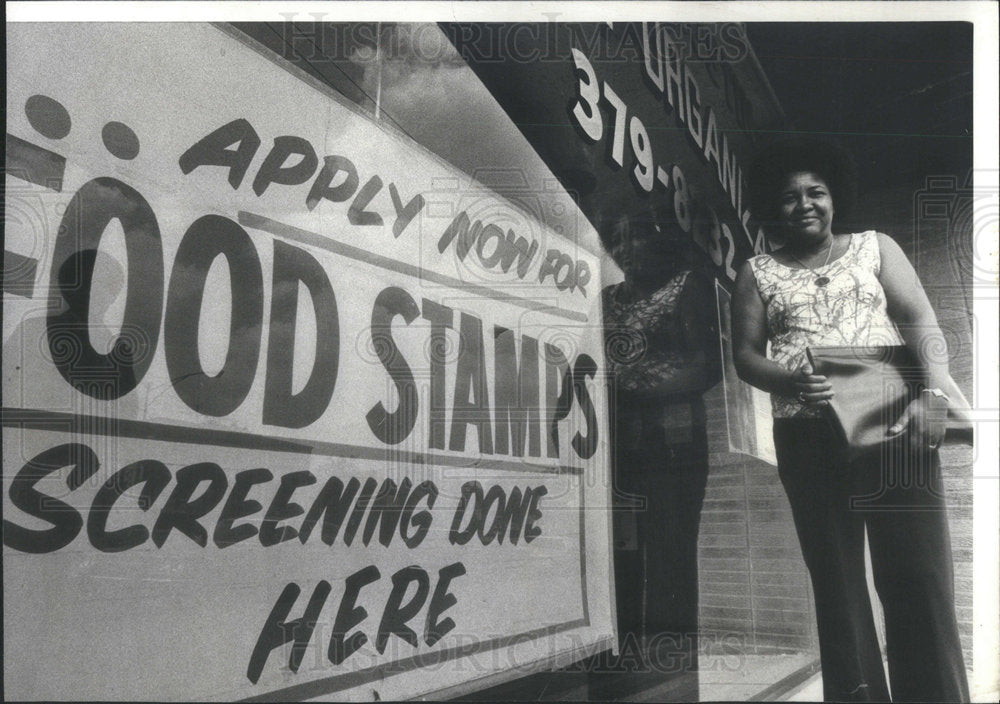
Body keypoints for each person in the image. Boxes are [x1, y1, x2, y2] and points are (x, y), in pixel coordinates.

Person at [732, 137, 970, 702]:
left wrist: (933, 396)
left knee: (919, 577)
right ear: (774, 206)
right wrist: (787, 379)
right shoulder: (757, 271)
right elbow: (745, 356)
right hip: (807, 432)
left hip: (896, 422)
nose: (805, 204)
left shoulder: (874, 247)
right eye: (789, 197)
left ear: (835, 197)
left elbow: (920, 322)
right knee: (837, 585)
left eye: (816, 191)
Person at [602, 205, 720, 664]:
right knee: (621, 550)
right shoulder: (607, 298)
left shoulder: (686, 286)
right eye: (618, 239)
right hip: (619, 444)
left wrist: (630, 390)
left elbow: (706, 367)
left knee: (672, 548)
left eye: (638, 237)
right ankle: (622, 658)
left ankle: (673, 666)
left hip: (675, 444)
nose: (627, 248)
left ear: (659, 242)